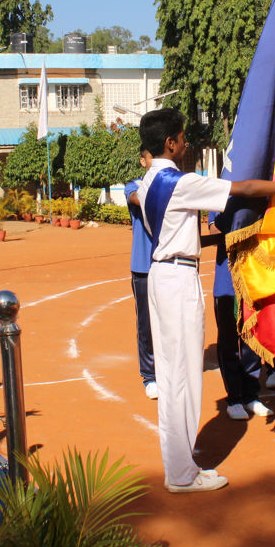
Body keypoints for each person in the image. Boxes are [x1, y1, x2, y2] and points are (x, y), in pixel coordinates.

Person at [135, 108, 275, 493]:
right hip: (177, 278)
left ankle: (181, 465)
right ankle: (181, 474)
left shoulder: (147, 182)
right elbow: (243, 189)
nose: (186, 143)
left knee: (174, 374)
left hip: (163, 274)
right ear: (170, 144)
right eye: (182, 137)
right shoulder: (179, 182)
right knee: (184, 376)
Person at [209, 212, 271, 420]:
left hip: (251, 281)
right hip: (226, 284)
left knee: (252, 339)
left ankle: (251, 395)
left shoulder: (256, 203)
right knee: (228, 342)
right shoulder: (218, 199)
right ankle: (234, 398)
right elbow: (214, 230)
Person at [124, 152, 159, 400]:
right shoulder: (134, 185)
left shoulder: (171, 183)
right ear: (143, 161)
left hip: (167, 265)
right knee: (146, 324)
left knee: (168, 322)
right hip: (143, 267)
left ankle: (167, 370)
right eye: (150, 158)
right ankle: (149, 375)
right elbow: (137, 199)